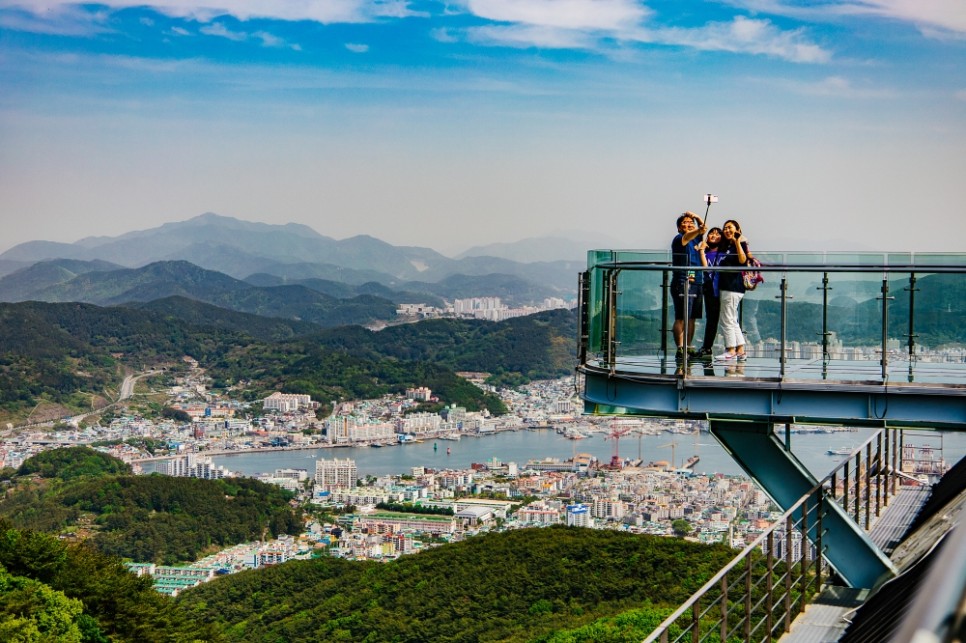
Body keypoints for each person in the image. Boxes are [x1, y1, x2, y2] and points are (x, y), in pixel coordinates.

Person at [670, 211, 707, 359]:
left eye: (690, 222)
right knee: (681, 317)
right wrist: (697, 228)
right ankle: (680, 347)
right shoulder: (679, 238)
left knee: (692, 318)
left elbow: (703, 227)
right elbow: (691, 234)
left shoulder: (695, 238)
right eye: (684, 223)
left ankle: (688, 346)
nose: (688, 224)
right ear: (679, 228)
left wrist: (696, 217)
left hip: (697, 281)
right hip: (681, 281)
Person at [715, 219, 750, 362]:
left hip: (732, 286)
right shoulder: (726, 245)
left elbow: (742, 260)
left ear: (737, 229)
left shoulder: (739, 244)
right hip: (728, 286)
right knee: (732, 319)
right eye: (725, 228)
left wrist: (737, 240)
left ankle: (730, 350)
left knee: (726, 319)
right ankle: (740, 350)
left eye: (730, 227)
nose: (727, 230)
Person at [695, 227, 723, 359]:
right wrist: (701, 250)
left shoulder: (725, 251)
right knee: (711, 319)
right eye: (712, 233)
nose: (714, 235)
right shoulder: (704, 251)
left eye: (718, 234)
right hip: (709, 288)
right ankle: (707, 347)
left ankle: (733, 349)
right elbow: (705, 268)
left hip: (722, 288)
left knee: (727, 319)